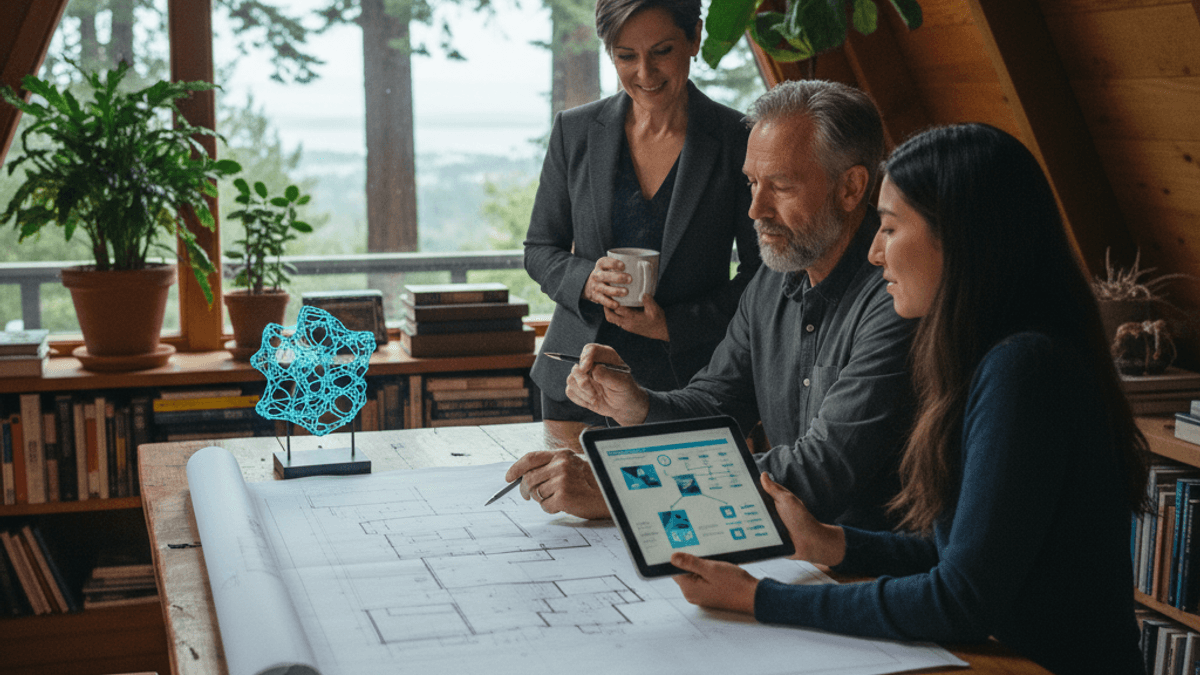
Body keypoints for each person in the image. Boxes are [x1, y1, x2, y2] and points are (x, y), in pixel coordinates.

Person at [669, 123, 1150, 675]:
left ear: (962, 239)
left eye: (890, 229)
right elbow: (962, 553)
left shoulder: (1025, 369)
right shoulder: (996, 357)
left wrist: (759, 598)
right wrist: (833, 544)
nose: (874, 253)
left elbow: (959, 599)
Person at [510, 80, 918, 529]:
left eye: (779, 186)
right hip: (782, 549)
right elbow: (715, 404)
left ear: (851, 188)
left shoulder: (894, 297)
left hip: (867, 569)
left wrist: (622, 490)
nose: (754, 209)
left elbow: (820, 470)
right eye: (751, 183)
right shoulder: (771, 281)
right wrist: (637, 405)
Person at [524, 0, 761, 433]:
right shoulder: (574, 131)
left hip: (692, 384)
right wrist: (585, 280)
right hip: (578, 383)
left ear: (695, 38)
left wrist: (672, 325)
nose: (645, 74)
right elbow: (540, 249)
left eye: (663, 51)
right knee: (576, 498)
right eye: (626, 56)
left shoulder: (739, 138)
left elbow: (762, 276)